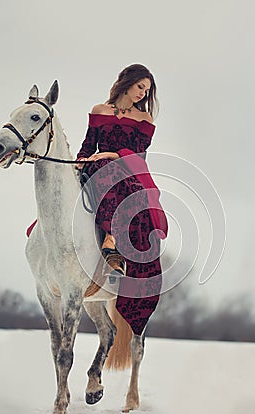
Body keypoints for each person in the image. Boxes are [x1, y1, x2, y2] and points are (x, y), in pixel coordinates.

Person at [76, 63, 168, 335]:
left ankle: (112, 242)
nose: (142, 93)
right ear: (127, 81)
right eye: (140, 86)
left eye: (147, 90)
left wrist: (112, 155)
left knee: (130, 188)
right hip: (96, 167)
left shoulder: (145, 119)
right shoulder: (99, 111)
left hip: (126, 168)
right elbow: (87, 146)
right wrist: (81, 161)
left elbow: (138, 158)